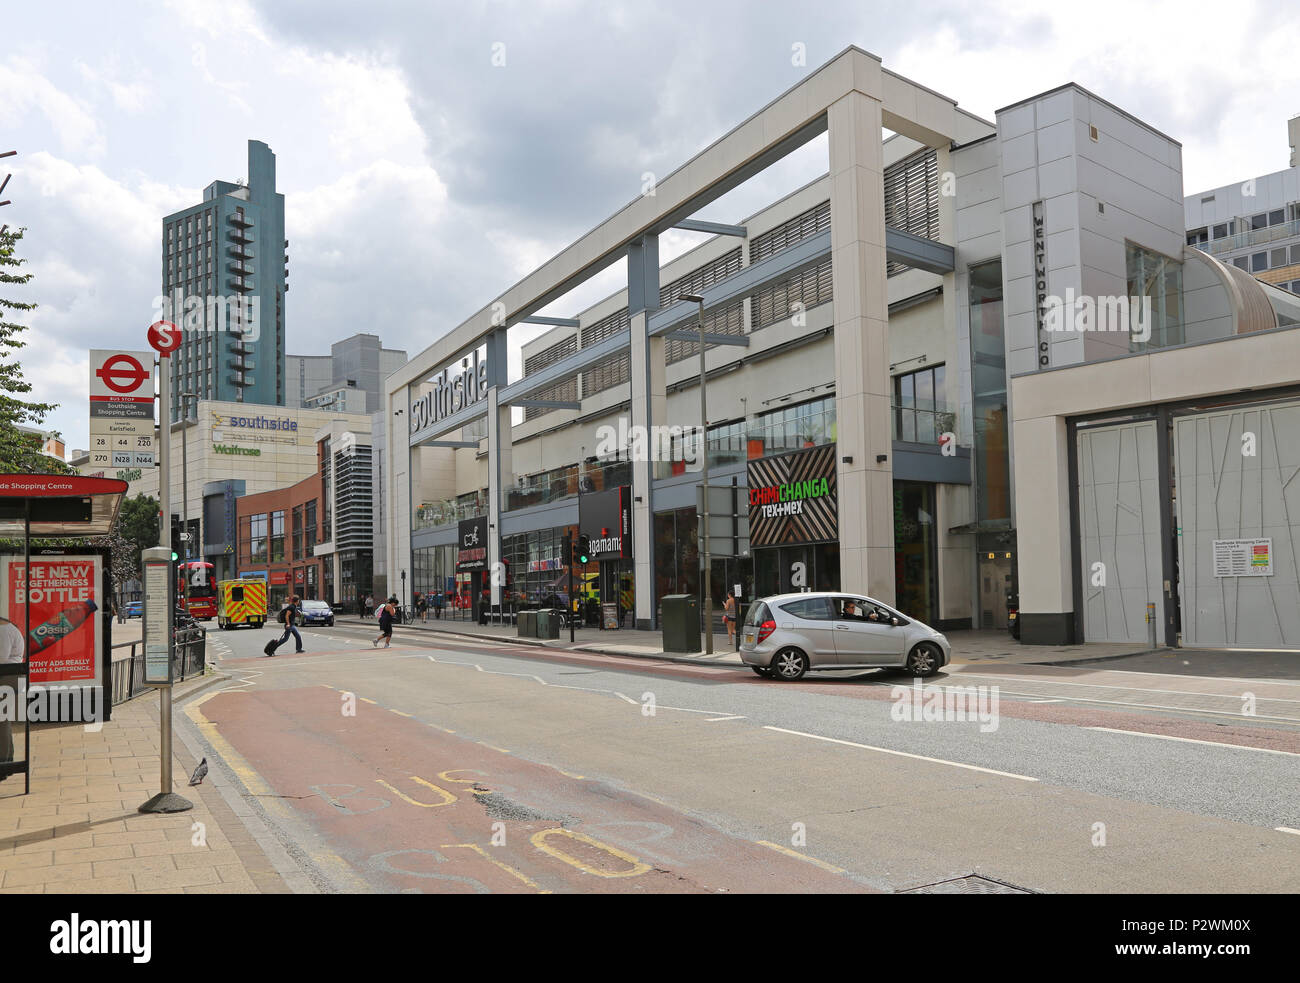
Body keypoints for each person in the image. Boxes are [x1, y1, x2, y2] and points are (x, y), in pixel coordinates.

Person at [0, 611, 23, 778]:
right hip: (9, 677)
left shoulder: (3, 630)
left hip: (6, 677)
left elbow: (1, 657)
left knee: (2, 721)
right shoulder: (7, 628)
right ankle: (7, 760)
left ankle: (4, 764)